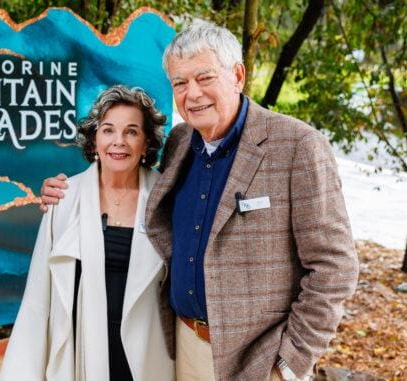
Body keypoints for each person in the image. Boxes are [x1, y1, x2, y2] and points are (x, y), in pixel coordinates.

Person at [40, 20, 359, 381]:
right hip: (182, 345)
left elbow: (334, 267)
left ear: (237, 75)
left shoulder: (298, 146)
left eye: (204, 78)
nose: (192, 94)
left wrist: (289, 363)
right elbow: (132, 185)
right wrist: (68, 193)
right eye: (180, 82)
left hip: (258, 358)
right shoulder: (179, 142)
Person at [0, 85, 175, 381]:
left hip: (149, 355)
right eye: (108, 130)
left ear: (146, 143)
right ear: (94, 139)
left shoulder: (166, 199)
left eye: (132, 132)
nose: (119, 142)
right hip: (83, 350)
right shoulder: (64, 198)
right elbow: (39, 295)